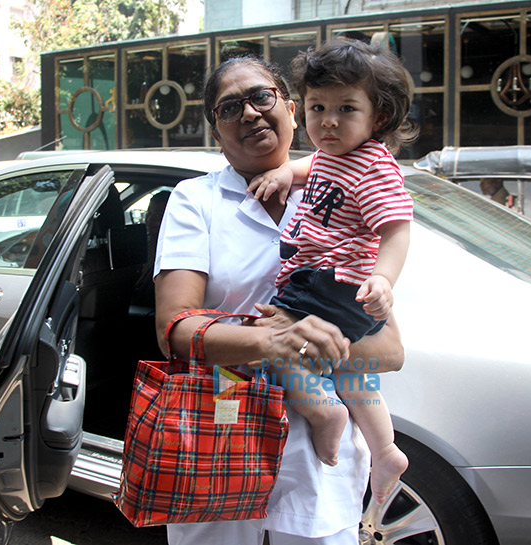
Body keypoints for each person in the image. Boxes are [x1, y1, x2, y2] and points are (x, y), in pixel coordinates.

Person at [154, 55, 404, 545]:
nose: (248, 113)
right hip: (223, 432)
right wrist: (275, 341)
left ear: (291, 111)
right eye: (229, 108)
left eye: (261, 97)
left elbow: (391, 350)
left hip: (318, 459)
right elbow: (176, 331)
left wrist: (301, 348)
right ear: (215, 129)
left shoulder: (350, 190)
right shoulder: (194, 201)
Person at [247, 39, 412, 504]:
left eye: (346, 108)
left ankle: (324, 413)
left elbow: (397, 228)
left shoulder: (373, 164)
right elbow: (312, 166)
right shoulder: (332, 155)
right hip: (341, 288)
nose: (329, 121)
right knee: (354, 374)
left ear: (378, 117)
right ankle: (386, 450)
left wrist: (383, 278)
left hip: (330, 282)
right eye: (318, 107)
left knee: (273, 341)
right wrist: (286, 174)